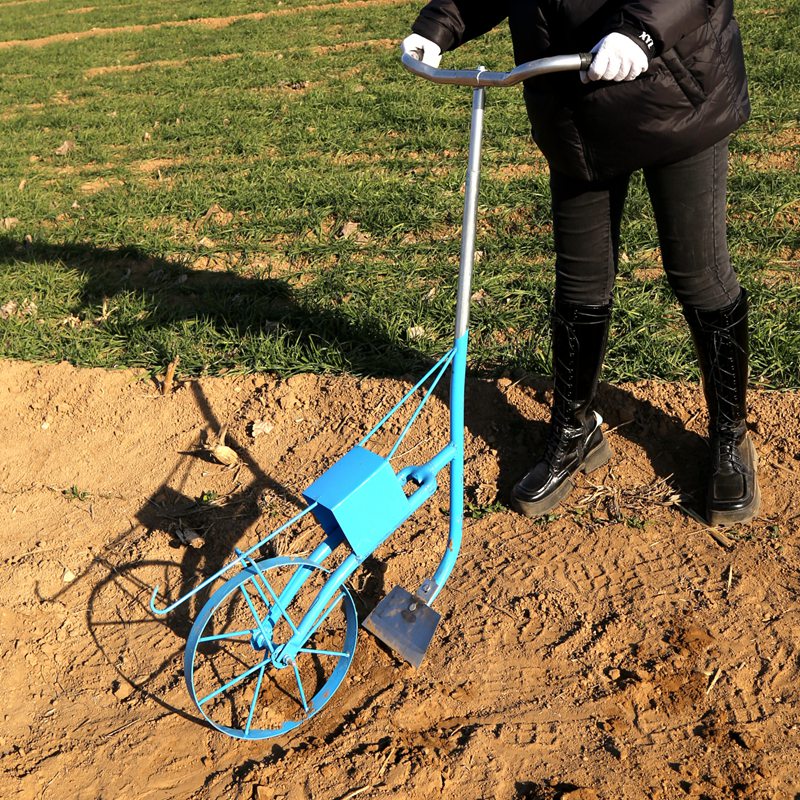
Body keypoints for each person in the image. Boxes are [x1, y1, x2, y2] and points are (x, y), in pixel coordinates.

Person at [402, 1, 759, 526]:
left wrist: (640, 31)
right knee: (580, 282)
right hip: (573, 106)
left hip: (676, 91)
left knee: (698, 274)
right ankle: (575, 430)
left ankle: (730, 433)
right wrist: (438, 26)